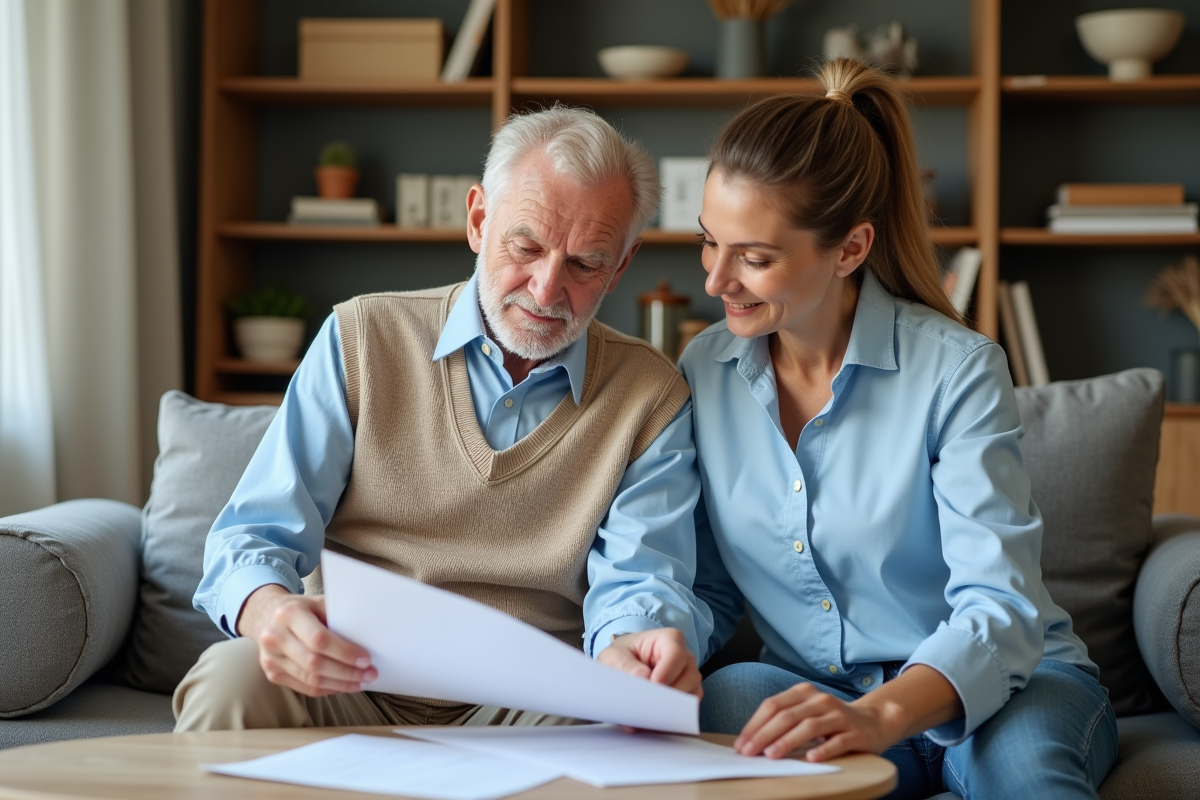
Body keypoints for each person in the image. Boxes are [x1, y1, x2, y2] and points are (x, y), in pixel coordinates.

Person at [173, 106, 712, 732]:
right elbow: (254, 534)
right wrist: (270, 615)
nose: (545, 289)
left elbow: (641, 580)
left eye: (585, 264)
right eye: (527, 246)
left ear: (621, 266)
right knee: (230, 678)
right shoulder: (361, 337)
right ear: (479, 220)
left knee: (615, 731)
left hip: (528, 698)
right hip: (350, 676)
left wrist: (635, 648)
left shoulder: (651, 395)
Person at [678, 59, 1118, 799]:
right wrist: (647, 646)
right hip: (823, 687)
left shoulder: (959, 369)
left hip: (1007, 686)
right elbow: (712, 591)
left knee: (1023, 773)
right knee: (729, 699)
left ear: (850, 249)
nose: (715, 280)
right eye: (708, 242)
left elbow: (1000, 608)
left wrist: (881, 717)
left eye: (753, 258)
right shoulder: (703, 370)